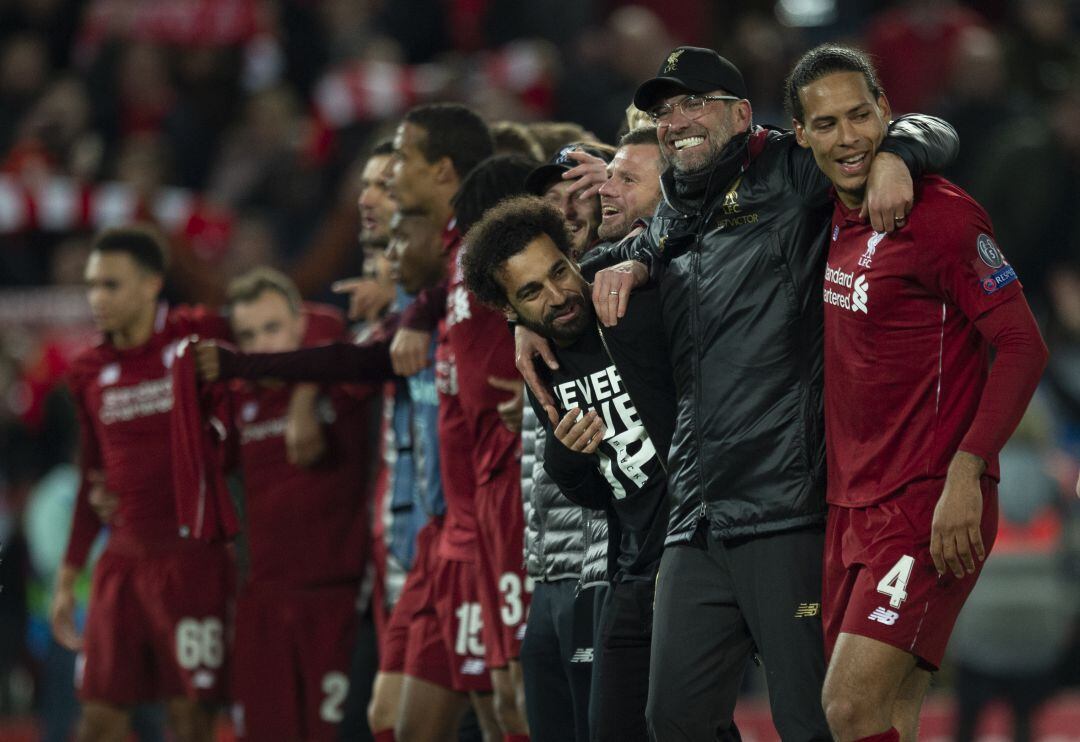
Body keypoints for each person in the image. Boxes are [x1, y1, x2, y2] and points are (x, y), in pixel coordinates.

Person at [519, 46, 959, 740]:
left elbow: (927, 127)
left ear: (740, 114)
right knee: (673, 719)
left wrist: (899, 153)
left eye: (694, 102)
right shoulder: (668, 216)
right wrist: (530, 317)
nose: (676, 120)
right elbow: (584, 280)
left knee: (810, 722)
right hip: (695, 515)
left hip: (784, 505)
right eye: (665, 111)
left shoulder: (786, 170)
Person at [785, 44, 1048, 742]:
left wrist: (969, 470)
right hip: (851, 505)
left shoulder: (943, 217)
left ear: (886, 115)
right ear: (801, 133)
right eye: (827, 123)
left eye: (861, 117)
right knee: (889, 716)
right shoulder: (825, 210)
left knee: (846, 708)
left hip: (928, 503)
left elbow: (1025, 345)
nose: (849, 138)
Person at [461, 195, 680, 742]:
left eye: (559, 272)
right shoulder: (542, 363)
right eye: (532, 292)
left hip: (696, 544)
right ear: (510, 311)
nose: (558, 296)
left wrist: (638, 263)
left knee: (691, 719)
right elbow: (593, 494)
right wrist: (565, 455)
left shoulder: (630, 300)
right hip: (630, 564)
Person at [51, 226, 234, 742]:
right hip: (121, 566)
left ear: (153, 283)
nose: (97, 299)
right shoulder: (88, 371)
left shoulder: (194, 339)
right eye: (92, 285)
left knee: (190, 724)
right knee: (98, 722)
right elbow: (93, 481)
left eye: (111, 285)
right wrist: (68, 578)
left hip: (192, 562)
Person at [215, 268, 375, 741]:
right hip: (262, 606)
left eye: (273, 328)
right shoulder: (237, 399)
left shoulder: (338, 384)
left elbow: (331, 321)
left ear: (298, 325)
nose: (263, 345)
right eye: (248, 335)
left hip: (336, 602)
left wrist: (305, 394)